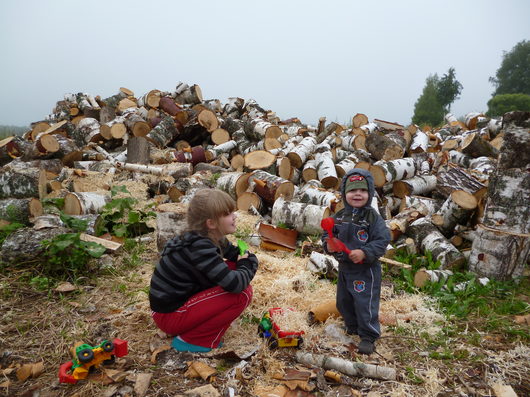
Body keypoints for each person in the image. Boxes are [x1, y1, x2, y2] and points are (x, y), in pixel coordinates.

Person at [149, 188, 258, 353]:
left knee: (233, 269)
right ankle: (192, 340)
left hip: (176, 307)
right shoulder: (199, 247)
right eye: (228, 213)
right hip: (169, 316)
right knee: (242, 294)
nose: (234, 216)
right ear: (211, 223)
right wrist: (248, 264)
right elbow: (235, 285)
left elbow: (234, 255)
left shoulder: (209, 237)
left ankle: (193, 329)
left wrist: (245, 259)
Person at [322, 169, 390, 355]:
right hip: (344, 268)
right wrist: (328, 245)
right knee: (344, 301)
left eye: (362, 190)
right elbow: (327, 235)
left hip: (365, 270)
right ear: (344, 194)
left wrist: (364, 252)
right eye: (352, 191)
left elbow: (382, 240)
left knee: (364, 302)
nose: (357, 194)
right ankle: (352, 326)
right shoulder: (340, 216)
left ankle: (368, 335)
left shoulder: (372, 218)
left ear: (369, 194)